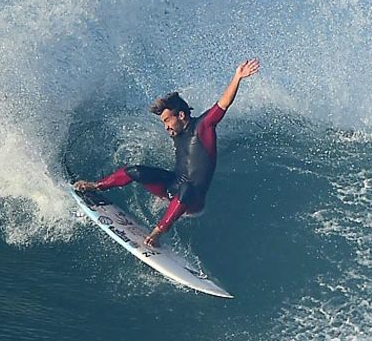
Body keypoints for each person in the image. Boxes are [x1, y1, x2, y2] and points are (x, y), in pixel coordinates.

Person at [74, 59, 260, 247]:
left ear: (181, 115)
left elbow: (223, 104)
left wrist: (237, 77)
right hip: (172, 188)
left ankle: (157, 232)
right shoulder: (176, 132)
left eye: (167, 120)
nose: (166, 127)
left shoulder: (203, 127)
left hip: (192, 199)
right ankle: (96, 186)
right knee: (135, 171)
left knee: (186, 188)